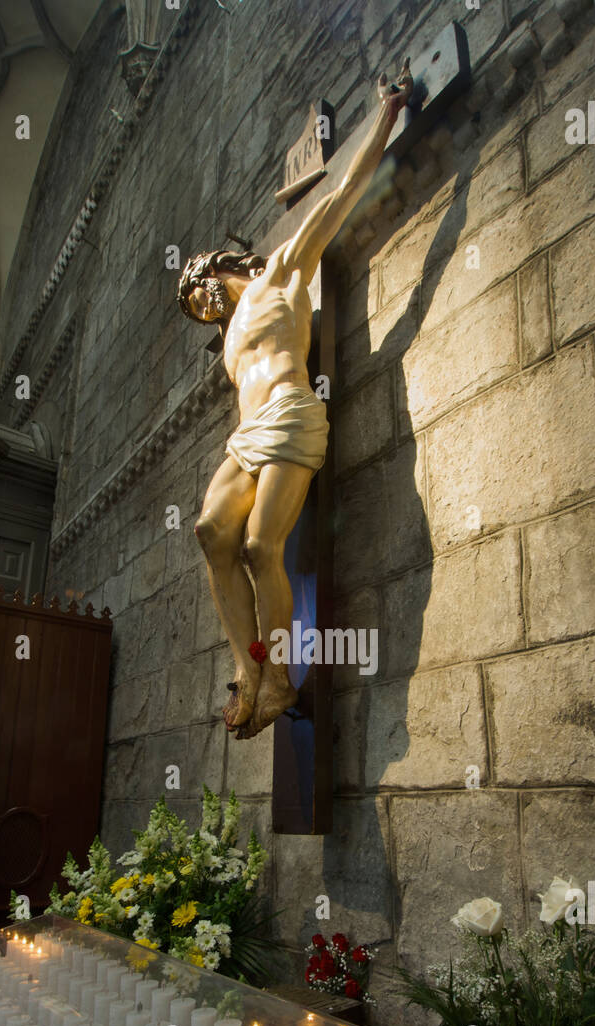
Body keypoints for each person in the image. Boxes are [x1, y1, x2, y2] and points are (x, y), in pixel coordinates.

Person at [177, 62, 413, 738]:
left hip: (291, 414)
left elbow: (338, 196)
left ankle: (279, 678)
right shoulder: (225, 344)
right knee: (208, 532)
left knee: (257, 547)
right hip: (246, 438)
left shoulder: (279, 273)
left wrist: (387, 115)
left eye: (201, 294)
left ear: (216, 266)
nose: (203, 309)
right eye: (196, 309)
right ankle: (249, 670)